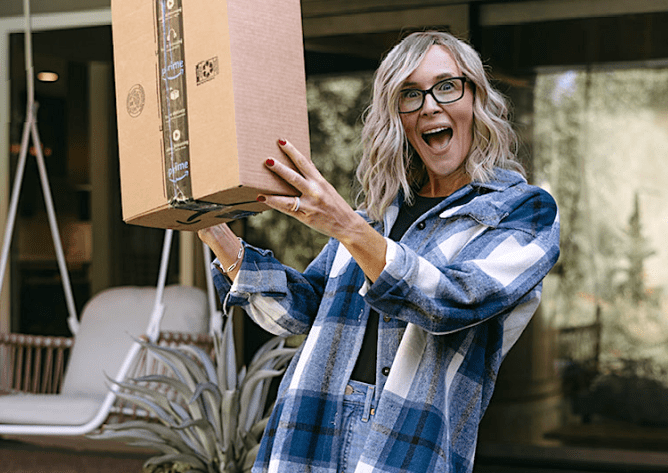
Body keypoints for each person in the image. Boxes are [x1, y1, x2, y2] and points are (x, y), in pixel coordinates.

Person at [198, 31, 560, 473]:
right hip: (310, 426)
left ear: (475, 99)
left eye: (446, 86)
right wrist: (215, 232)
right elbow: (298, 315)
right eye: (410, 94)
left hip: (406, 445)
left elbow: (451, 301)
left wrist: (345, 226)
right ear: (398, 117)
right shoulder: (377, 213)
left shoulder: (523, 211)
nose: (429, 105)